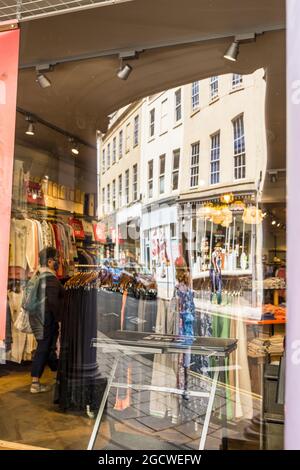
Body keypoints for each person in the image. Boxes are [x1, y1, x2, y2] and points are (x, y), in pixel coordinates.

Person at [30, 247, 65, 394]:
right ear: (50, 261)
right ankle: (35, 383)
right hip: (46, 320)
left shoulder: (39, 275)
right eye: (56, 259)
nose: (58, 262)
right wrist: (61, 319)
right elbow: (53, 302)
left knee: (46, 347)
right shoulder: (49, 278)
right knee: (43, 348)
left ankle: (55, 374)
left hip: (39, 318)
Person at [175, 266, 195, 398]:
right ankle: (185, 388)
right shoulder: (188, 292)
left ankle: (181, 386)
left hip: (182, 327)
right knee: (185, 359)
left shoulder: (179, 290)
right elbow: (193, 310)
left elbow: (174, 309)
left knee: (179, 359)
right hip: (186, 328)